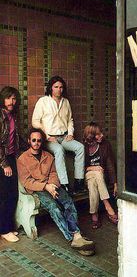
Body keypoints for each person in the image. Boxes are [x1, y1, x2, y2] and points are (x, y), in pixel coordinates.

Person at [17, 128, 95, 255]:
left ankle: (77, 235)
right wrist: (45, 186)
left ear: (42, 142)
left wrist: (52, 185)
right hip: (38, 189)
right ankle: (73, 238)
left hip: (52, 186)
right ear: (29, 141)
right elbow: (27, 181)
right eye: (34, 140)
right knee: (54, 207)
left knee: (68, 202)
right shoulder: (22, 159)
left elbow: (54, 173)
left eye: (39, 140)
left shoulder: (48, 156)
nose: (36, 143)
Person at [32, 76, 85, 194]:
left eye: (61, 87)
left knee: (80, 147)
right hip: (49, 139)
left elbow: (70, 120)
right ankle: (64, 185)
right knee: (59, 150)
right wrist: (46, 136)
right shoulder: (43, 101)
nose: (59, 90)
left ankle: (79, 183)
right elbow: (35, 121)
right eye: (56, 87)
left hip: (64, 136)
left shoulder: (66, 102)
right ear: (51, 88)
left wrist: (70, 133)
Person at [83, 122, 118, 229]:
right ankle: (108, 206)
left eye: (101, 132)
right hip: (87, 174)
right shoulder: (83, 147)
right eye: (98, 134)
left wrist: (115, 183)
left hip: (100, 177)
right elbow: (81, 168)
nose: (102, 135)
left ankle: (94, 214)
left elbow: (110, 165)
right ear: (91, 136)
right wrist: (93, 168)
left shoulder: (105, 145)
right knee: (96, 173)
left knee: (93, 183)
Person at [0, 86, 22, 242]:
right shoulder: (1, 116)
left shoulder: (13, 115)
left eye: (14, 98)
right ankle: (4, 229)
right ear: (3, 99)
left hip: (12, 157)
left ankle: (9, 226)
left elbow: (15, 139)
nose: (11, 101)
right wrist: (4, 164)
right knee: (4, 195)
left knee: (13, 193)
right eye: (8, 98)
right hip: (3, 160)